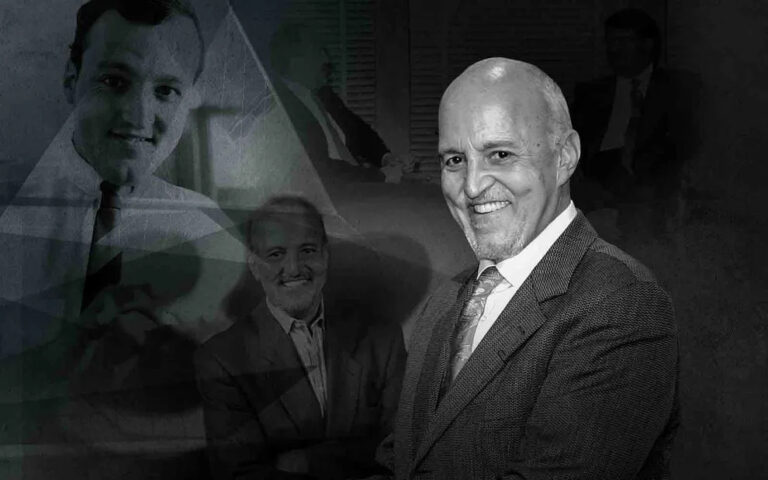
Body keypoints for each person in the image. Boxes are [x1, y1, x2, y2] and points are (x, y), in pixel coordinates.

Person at [377, 58, 679, 479]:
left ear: (565, 156)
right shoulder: (445, 303)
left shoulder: (622, 306)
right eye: (455, 160)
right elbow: (401, 463)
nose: (472, 186)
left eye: (500, 154)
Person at [0, 2, 243, 476]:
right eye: (114, 81)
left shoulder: (208, 229)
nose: (138, 115)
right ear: (71, 80)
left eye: (166, 91)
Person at [195, 196, 407, 480]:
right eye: (276, 254)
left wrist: (306, 461)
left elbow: (404, 446)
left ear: (325, 256)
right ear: (254, 265)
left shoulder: (383, 340)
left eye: (307, 250)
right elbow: (239, 474)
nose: (294, 268)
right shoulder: (221, 359)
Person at [572, 8, 696, 221]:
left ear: (647, 44)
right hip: (600, 183)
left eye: (622, 41)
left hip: (654, 187)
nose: (614, 49)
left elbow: (686, 146)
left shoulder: (677, 88)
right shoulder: (591, 94)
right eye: (610, 41)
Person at [268, 23, 414, 185]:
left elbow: (359, 131)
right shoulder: (279, 110)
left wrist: (386, 158)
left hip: (360, 184)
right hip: (338, 193)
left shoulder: (325, 95)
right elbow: (320, 171)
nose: (326, 60)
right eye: (318, 52)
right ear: (296, 61)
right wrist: (379, 176)